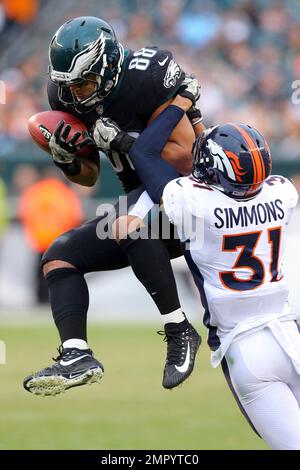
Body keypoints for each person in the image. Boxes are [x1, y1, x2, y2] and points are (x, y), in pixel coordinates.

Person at [107, 93, 300, 449]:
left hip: (245, 347)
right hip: (291, 332)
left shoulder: (194, 202)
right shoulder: (281, 193)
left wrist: (180, 105)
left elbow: (145, 154)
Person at [23, 16, 203, 396]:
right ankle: (76, 353)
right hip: (139, 197)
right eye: (67, 84)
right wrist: (66, 158)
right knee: (59, 256)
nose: (74, 92)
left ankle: (178, 329)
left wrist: (123, 141)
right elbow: (87, 176)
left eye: (83, 81)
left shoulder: (146, 78)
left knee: (128, 224)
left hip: (187, 194)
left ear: (106, 67)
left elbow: (184, 159)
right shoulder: (65, 94)